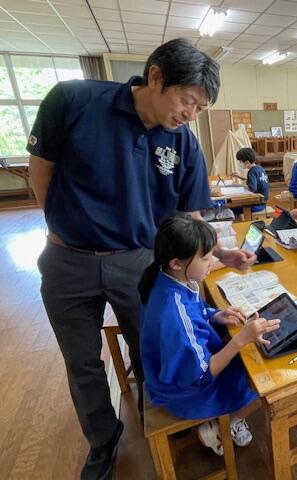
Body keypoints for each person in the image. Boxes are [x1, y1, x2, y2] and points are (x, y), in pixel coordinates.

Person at [27, 38, 255, 479]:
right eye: (187, 100)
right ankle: (103, 441)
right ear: (155, 77)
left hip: (138, 260)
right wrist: (57, 222)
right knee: (82, 361)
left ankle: (161, 421)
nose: (190, 114)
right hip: (67, 260)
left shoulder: (183, 142)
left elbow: (190, 217)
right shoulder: (75, 101)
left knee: (153, 346)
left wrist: (219, 251)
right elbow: (42, 167)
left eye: (200, 108)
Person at [139, 215, 280, 455]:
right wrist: (241, 339)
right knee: (266, 377)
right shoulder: (174, 313)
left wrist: (215, 314)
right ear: (176, 263)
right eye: (205, 258)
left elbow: (194, 309)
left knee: (252, 355)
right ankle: (229, 423)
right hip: (185, 394)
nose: (211, 263)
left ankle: (226, 418)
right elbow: (202, 374)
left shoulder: (169, 280)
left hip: (175, 376)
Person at [230, 147, 269, 213]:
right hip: (263, 202)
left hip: (256, 205)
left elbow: (252, 188)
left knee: (232, 208)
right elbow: (252, 181)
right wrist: (238, 176)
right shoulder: (259, 168)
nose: (240, 164)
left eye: (240, 162)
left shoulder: (251, 171)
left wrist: (239, 186)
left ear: (247, 162)